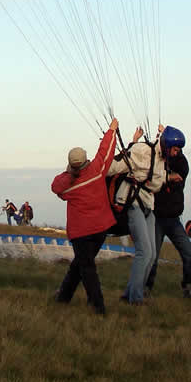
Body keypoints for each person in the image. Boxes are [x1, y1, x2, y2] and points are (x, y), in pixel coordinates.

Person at [51, 118, 119, 316]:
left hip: (81, 233)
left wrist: (69, 173)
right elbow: (106, 152)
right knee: (81, 264)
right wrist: (112, 130)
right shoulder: (97, 170)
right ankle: (64, 297)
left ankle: (98, 307)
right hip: (101, 229)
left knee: (86, 266)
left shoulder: (68, 185)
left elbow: (56, 187)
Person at [106, 125, 160, 305]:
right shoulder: (138, 156)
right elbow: (128, 160)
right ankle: (135, 298)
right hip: (133, 203)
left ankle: (130, 293)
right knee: (145, 252)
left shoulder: (156, 158)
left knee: (151, 255)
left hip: (148, 205)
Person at [146, 125, 191, 299]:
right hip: (157, 218)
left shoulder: (181, 164)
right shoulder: (156, 162)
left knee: (188, 254)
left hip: (174, 220)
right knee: (152, 256)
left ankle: (188, 286)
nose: (177, 152)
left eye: (178, 150)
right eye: (174, 149)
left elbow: (178, 166)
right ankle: (146, 287)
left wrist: (168, 139)